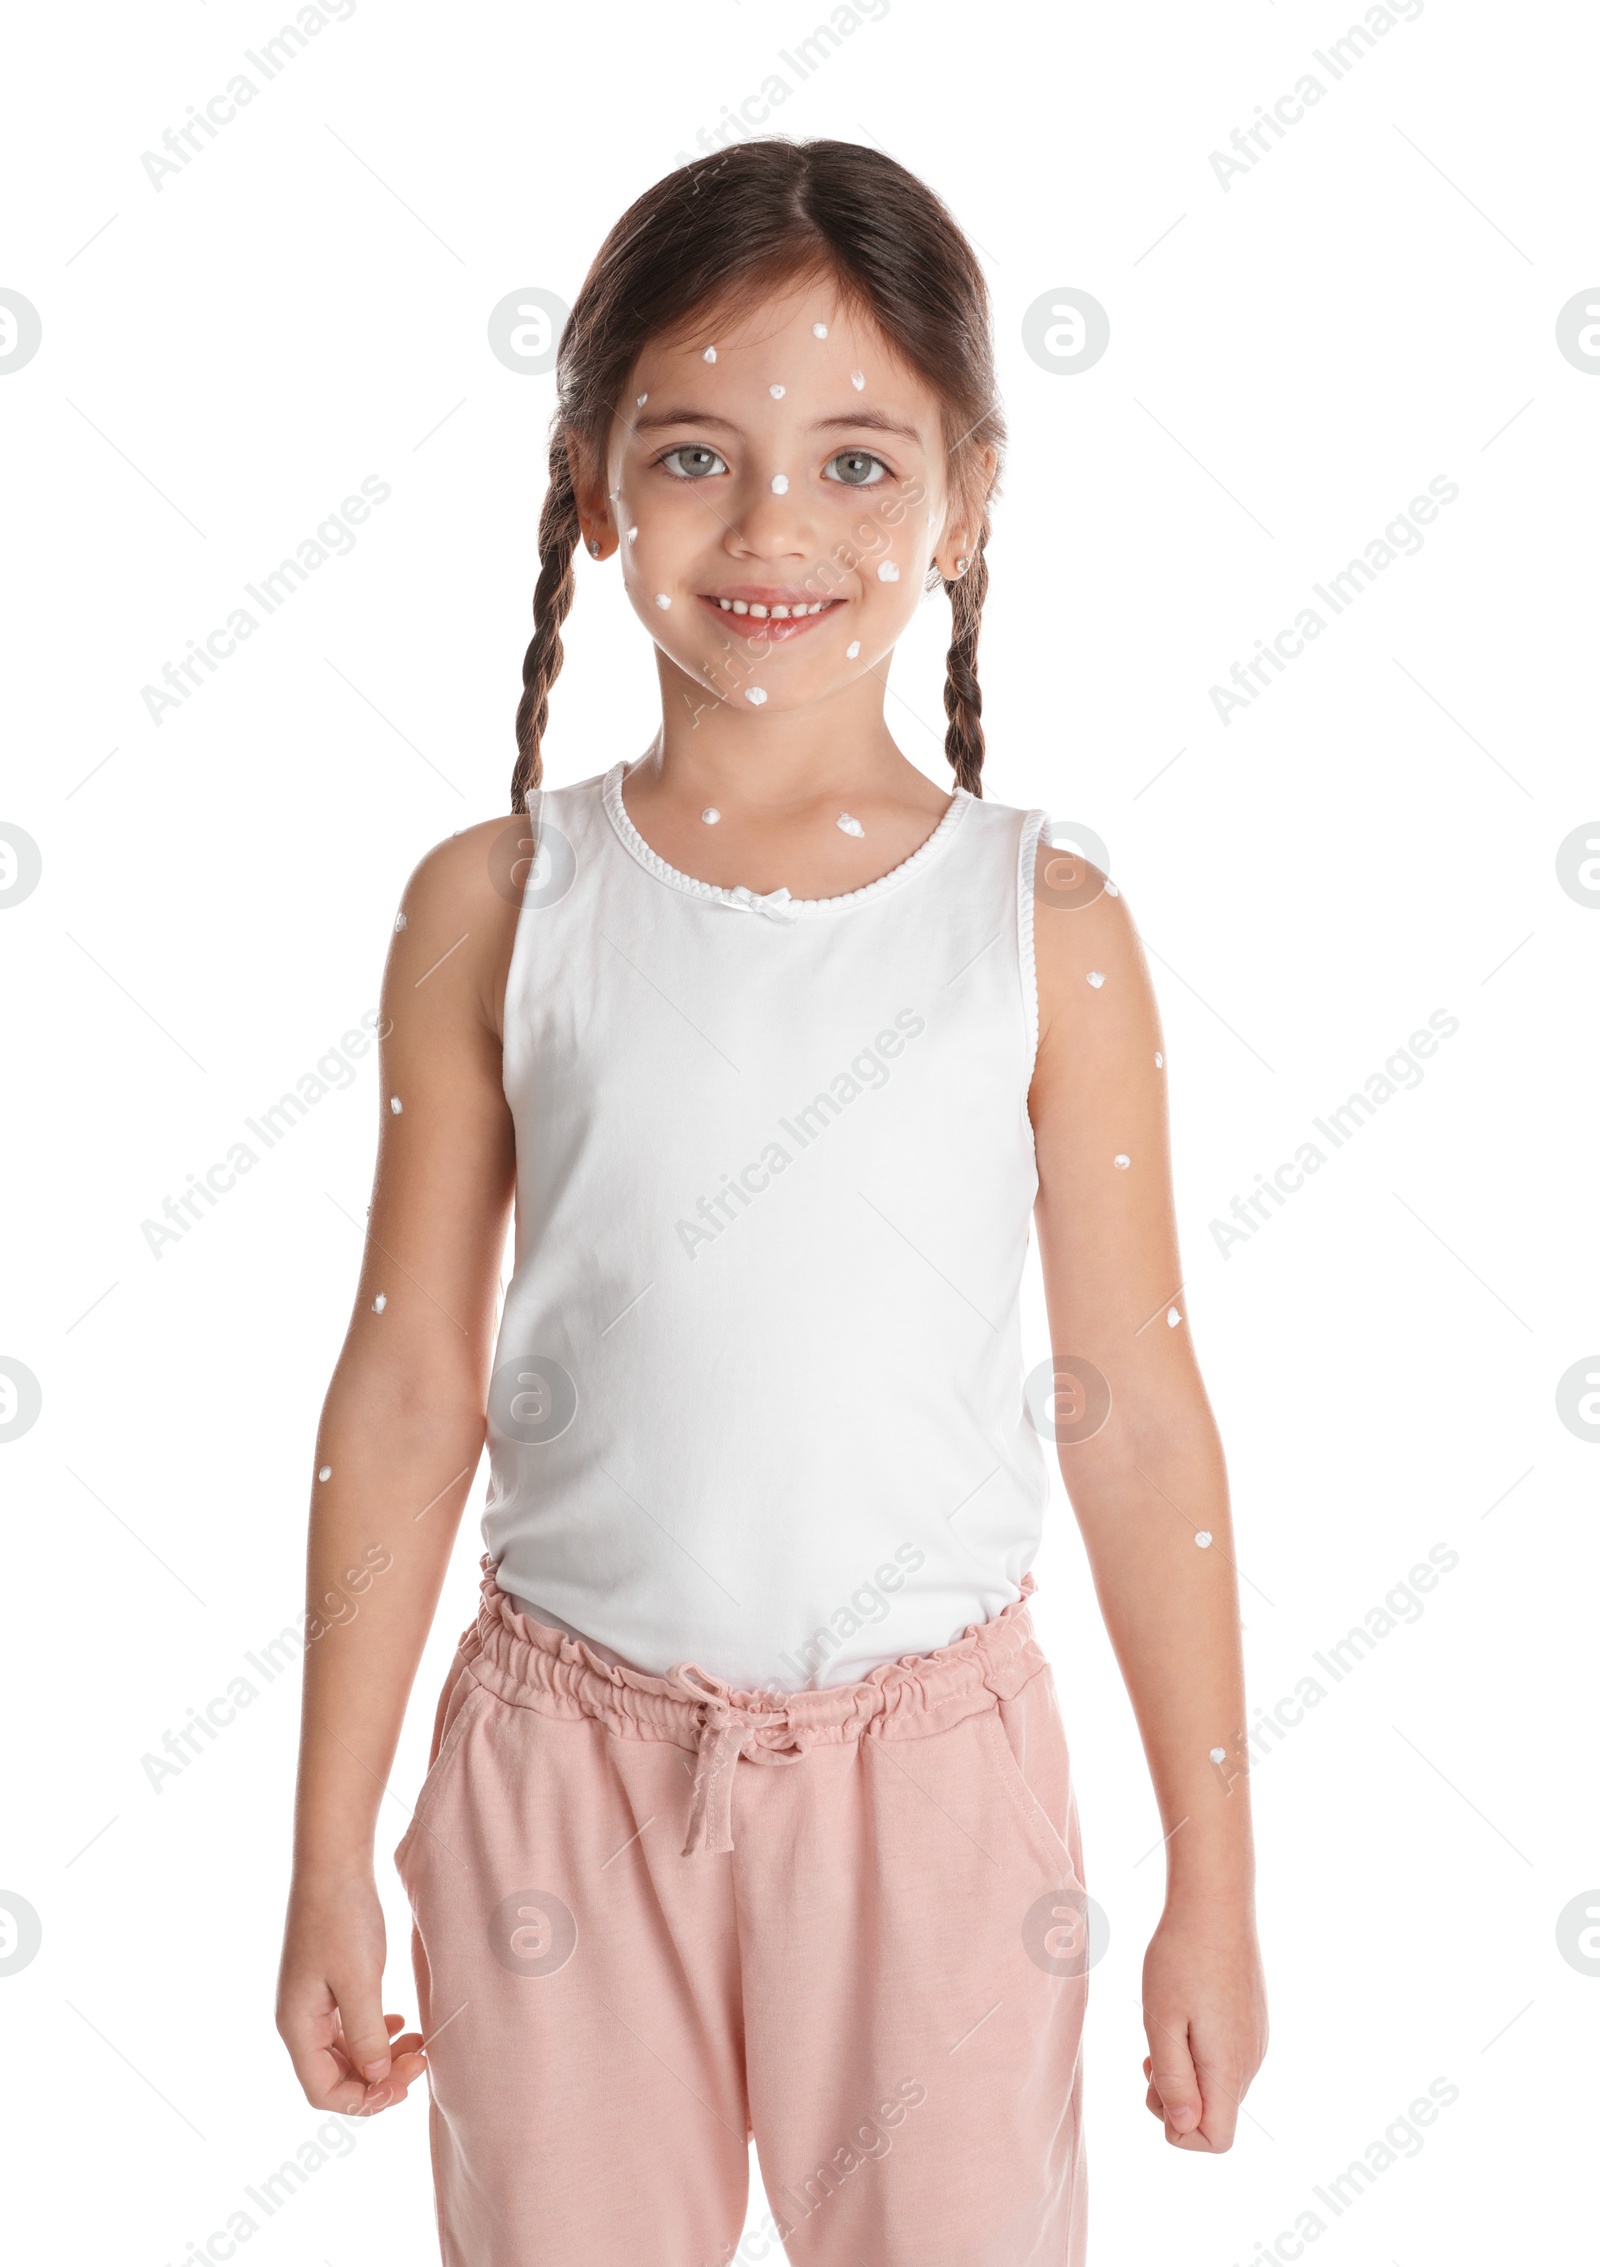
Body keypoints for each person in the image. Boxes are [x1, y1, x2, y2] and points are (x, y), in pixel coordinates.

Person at [275, 135, 1268, 2266]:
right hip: (563, 1770)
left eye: (854, 463)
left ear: (967, 495)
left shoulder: (1047, 924)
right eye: (700, 453)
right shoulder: (495, 905)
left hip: (935, 1794)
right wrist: (322, 1846)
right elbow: (403, 1388)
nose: (773, 530)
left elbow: (1135, 1403)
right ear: (590, 478)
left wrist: (1215, 1873)